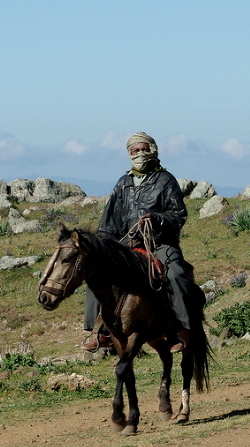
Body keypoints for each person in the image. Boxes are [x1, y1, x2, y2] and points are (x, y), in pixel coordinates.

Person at [81, 131, 193, 353]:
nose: (140, 153)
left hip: (159, 243)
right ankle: (97, 331)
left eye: (144, 149)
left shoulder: (165, 180)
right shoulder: (123, 183)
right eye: (136, 150)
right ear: (129, 154)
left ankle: (177, 329)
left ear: (153, 150)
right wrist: (104, 247)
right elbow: (108, 222)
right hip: (126, 245)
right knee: (96, 273)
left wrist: (157, 218)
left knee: (175, 274)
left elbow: (178, 214)